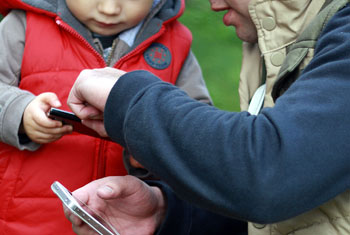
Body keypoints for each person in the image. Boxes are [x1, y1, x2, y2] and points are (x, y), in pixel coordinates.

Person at [64, 0, 350, 234]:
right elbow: (290, 194)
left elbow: (272, 173)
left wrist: (129, 98)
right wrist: (166, 210)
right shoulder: (277, 49)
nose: (213, 4)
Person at [0, 0, 214, 234]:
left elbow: (196, 126)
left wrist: (158, 143)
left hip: (119, 223)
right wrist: (18, 110)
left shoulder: (174, 44)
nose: (109, 9)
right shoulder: (24, 26)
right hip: (23, 220)